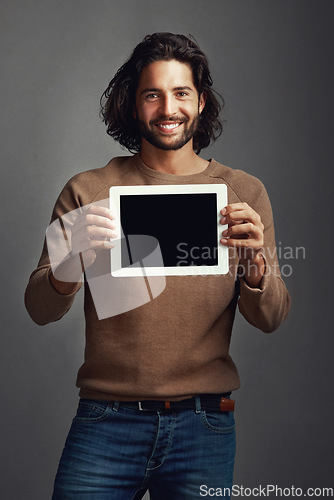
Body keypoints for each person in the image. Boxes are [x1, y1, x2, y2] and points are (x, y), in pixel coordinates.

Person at [25, 32, 290, 500]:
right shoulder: (89, 189)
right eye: (153, 94)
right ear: (134, 105)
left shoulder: (243, 193)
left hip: (204, 423)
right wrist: (71, 262)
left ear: (201, 102)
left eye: (181, 93)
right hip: (105, 420)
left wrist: (255, 266)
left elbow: (270, 318)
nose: (168, 109)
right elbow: (40, 308)